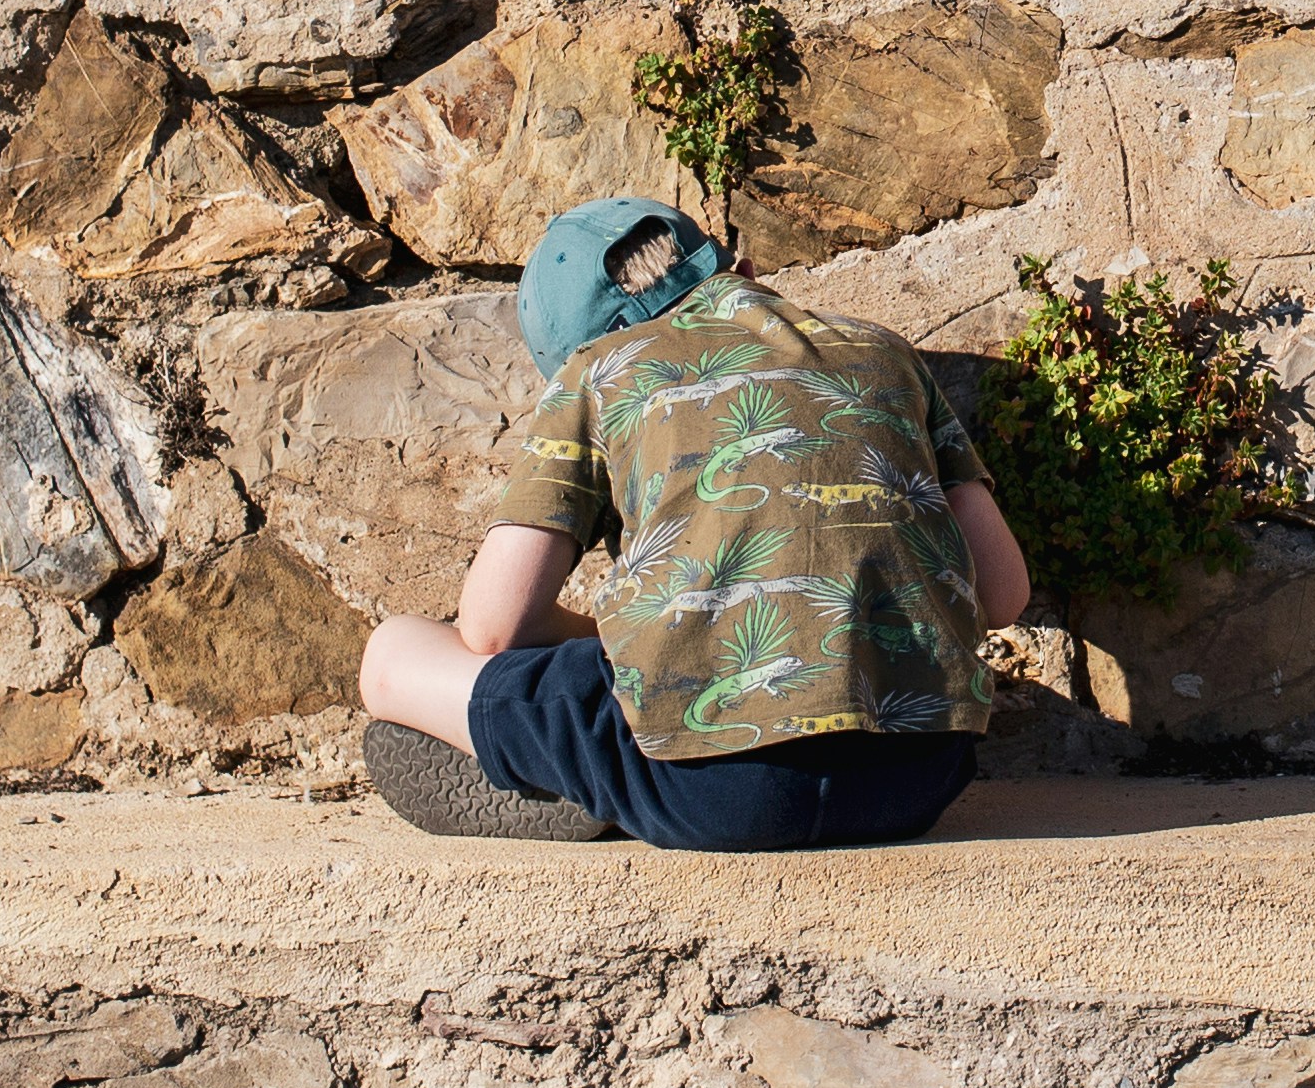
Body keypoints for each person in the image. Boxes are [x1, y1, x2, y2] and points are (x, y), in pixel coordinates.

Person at [353, 194, 1031, 853]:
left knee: (393, 653)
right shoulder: (885, 351)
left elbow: (492, 627)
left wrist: (617, 634)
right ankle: (589, 768)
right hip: (919, 780)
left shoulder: (598, 374)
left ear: (577, 353)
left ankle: (577, 772)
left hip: (712, 791)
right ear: (745, 272)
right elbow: (1004, 594)